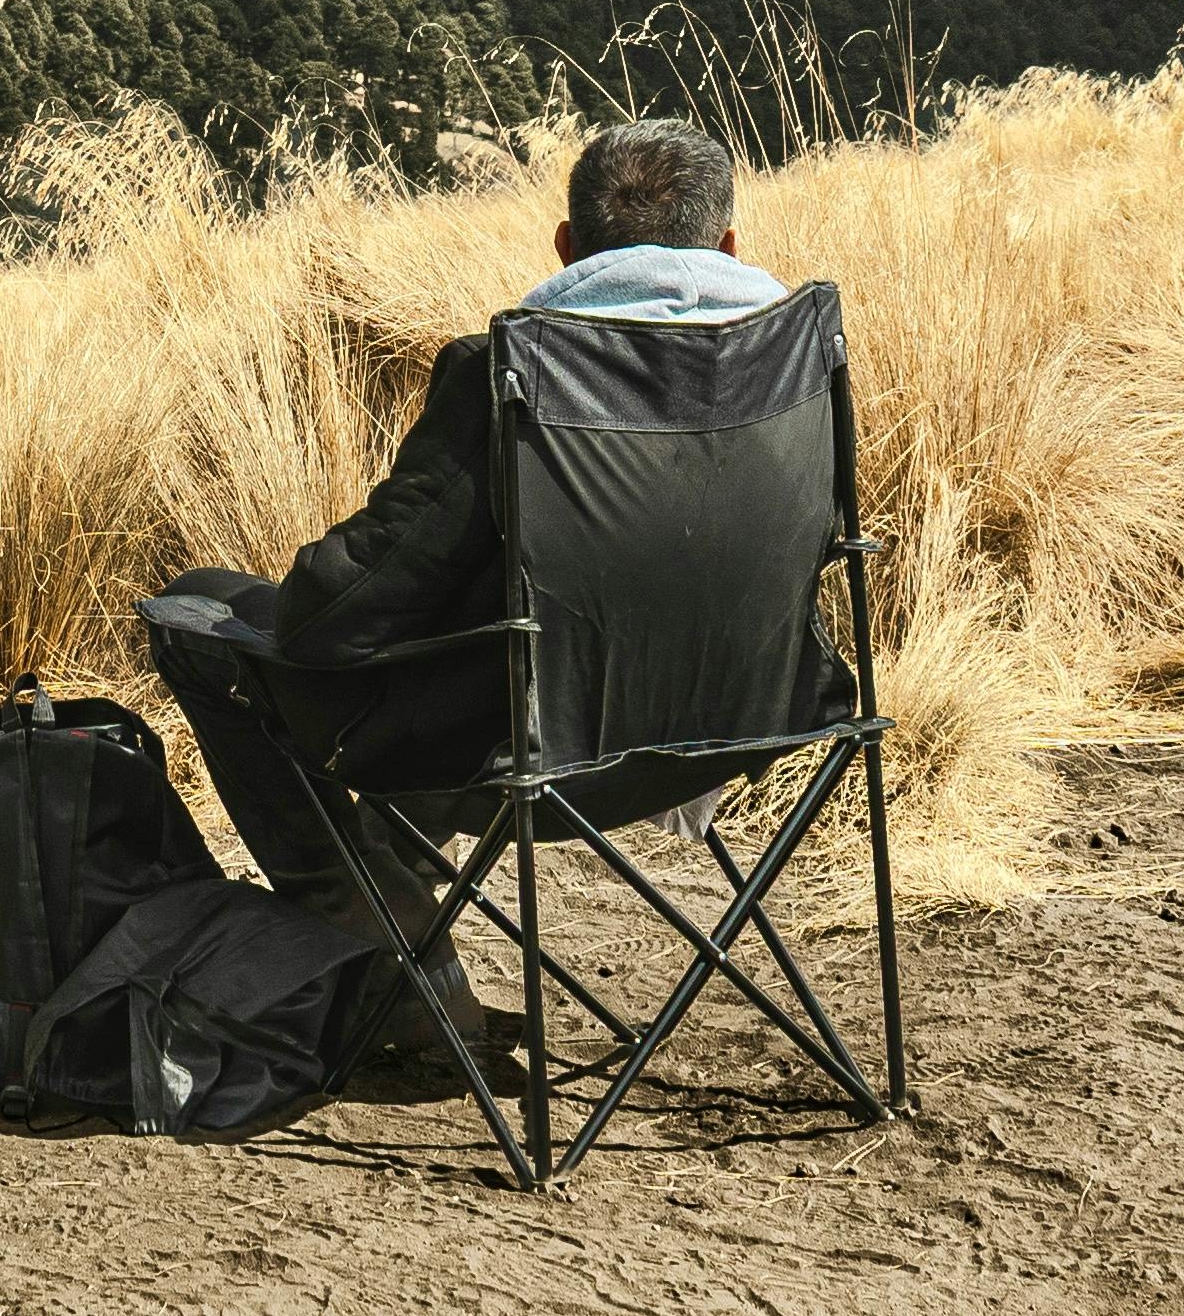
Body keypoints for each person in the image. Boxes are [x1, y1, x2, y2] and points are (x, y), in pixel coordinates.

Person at [133, 118, 776, 1057]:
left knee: (203, 615)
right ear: (729, 246)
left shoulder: (511, 376)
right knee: (449, 662)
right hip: (744, 723)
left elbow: (341, 613)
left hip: (536, 751)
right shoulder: (796, 362)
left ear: (566, 246)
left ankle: (388, 960)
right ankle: (396, 916)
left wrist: (304, 586)